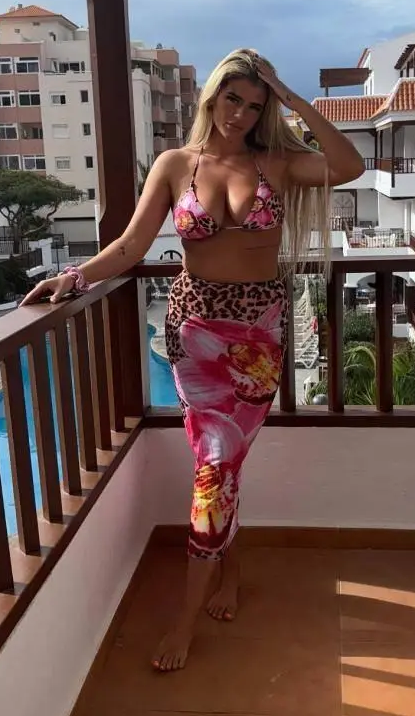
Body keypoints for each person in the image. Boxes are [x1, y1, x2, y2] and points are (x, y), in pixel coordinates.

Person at [21, 48, 364, 671]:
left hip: (258, 335)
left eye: (254, 105)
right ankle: (204, 598)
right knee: (215, 467)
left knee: (221, 467)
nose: (241, 113)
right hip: (194, 333)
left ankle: (206, 596)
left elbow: (350, 165)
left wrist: (289, 97)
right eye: (234, 98)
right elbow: (131, 244)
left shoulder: (277, 162)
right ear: (212, 96)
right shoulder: (176, 164)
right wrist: (75, 277)